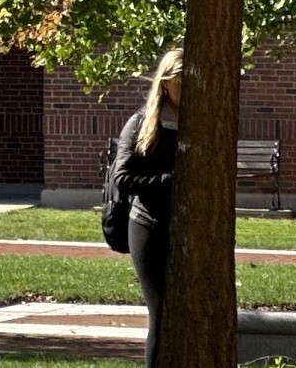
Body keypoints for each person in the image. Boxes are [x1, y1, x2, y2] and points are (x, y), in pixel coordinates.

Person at [106, 49, 184, 368]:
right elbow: (122, 177)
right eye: (181, 82)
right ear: (165, 84)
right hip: (148, 227)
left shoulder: (199, 122)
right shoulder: (142, 123)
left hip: (187, 230)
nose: (188, 90)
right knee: (162, 313)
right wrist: (172, 181)